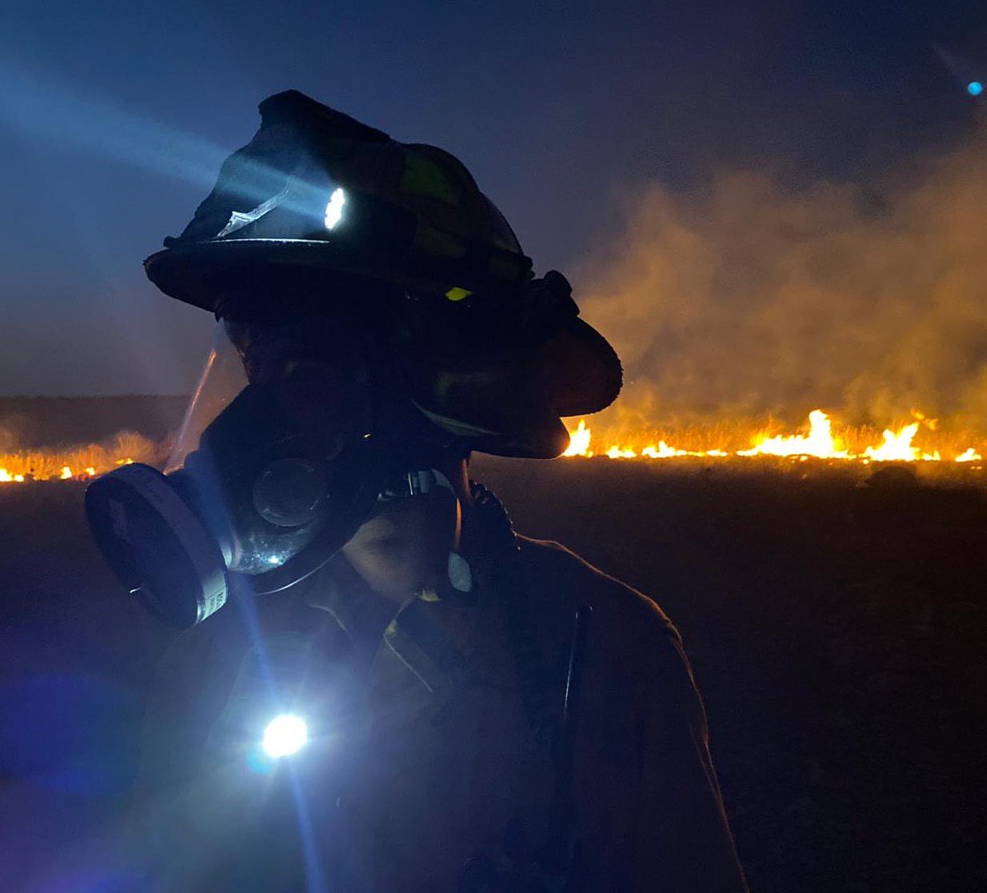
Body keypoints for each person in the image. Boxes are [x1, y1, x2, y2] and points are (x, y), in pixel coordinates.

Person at [94, 91, 748, 892]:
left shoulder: (603, 648)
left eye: (311, 363)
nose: (262, 399)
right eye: (254, 350)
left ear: (440, 373)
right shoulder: (219, 646)